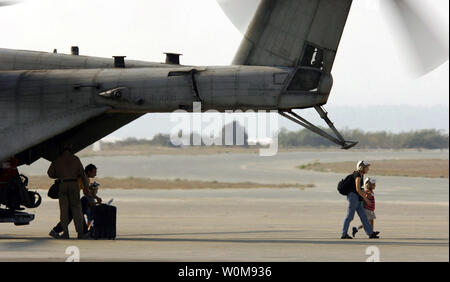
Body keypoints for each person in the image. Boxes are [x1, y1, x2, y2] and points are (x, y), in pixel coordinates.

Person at [47, 145, 89, 239]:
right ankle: (80, 233)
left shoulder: (57, 159)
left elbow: (50, 174)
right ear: (70, 151)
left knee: (64, 210)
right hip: (74, 184)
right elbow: (82, 174)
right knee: (77, 210)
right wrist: (86, 187)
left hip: (62, 185)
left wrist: (59, 175)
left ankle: (65, 233)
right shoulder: (76, 159)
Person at [49, 164, 98, 238]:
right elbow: (86, 193)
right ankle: (83, 232)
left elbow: (86, 192)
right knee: (75, 213)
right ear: (88, 172)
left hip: (72, 197)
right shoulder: (81, 177)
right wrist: (93, 201)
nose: (95, 174)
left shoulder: (85, 178)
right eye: (94, 172)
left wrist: (96, 197)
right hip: (67, 196)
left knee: (73, 214)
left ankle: (56, 230)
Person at [341, 161, 380, 239]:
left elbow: (359, 190)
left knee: (364, 217)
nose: (368, 169)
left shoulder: (361, 176)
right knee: (350, 216)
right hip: (353, 197)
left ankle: (370, 233)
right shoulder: (357, 175)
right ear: (361, 167)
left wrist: (364, 196)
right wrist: (366, 199)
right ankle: (344, 234)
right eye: (366, 167)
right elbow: (358, 189)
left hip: (358, 198)